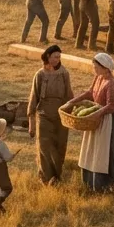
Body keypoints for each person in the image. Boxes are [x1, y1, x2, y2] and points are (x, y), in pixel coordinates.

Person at [71, 53, 114, 192]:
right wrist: (72, 101)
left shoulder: (112, 83)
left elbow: (111, 106)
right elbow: (90, 93)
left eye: (96, 67)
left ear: (105, 68)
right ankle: (89, 183)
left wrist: (96, 114)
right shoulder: (98, 77)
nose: (94, 69)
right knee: (91, 150)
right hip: (94, 119)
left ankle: (105, 185)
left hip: (106, 121)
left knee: (103, 152)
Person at [27, 45, 73, 184]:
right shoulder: (40, 74)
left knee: (60, 145)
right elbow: (33, 98)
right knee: (44, 147)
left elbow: (69, 95)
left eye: (59, 57)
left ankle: (57, 176)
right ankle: (46, 178)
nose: (57, 59)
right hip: (44, 115)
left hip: (60, 115)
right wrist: (31, 124)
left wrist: (71, 114)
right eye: (55, 57)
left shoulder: (64, 73)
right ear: (48, 56)